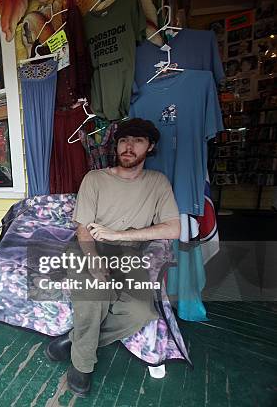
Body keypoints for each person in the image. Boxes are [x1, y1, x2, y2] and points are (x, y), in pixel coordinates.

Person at [44, 119, 181, 397]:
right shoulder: (95, 178)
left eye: (138, 141)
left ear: (150, 146)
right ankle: (81, 366)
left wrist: (120, 235)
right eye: (123, 141)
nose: (129, 147)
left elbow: (174, 228)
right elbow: (83, 228)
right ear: (116, 145)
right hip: (87, 248)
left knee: (141, 311)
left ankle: (73, 341)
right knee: (95, 296)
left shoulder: (158, 182)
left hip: (128, 253)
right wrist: (94, 262)